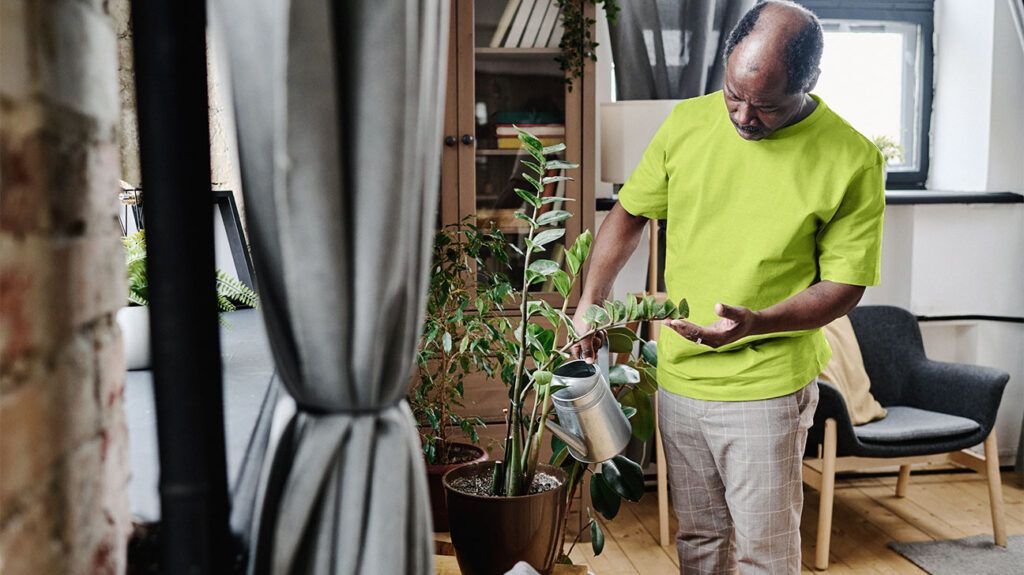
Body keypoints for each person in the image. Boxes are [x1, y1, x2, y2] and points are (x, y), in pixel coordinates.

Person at [571, 1, 885, 573]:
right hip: (681, 377)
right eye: (732, 95)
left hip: (765, 387)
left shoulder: (851, 157)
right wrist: (590, 301)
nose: (742, 117)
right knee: (700, 541)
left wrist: (757, 323)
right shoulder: (687, 122)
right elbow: (629, 213)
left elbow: (845, 286)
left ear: (809, 83)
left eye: (764, 106)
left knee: (765, 554)